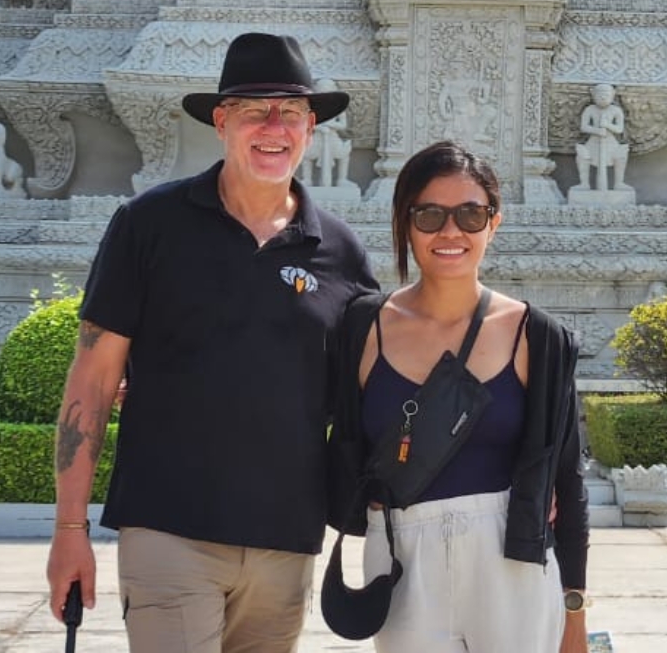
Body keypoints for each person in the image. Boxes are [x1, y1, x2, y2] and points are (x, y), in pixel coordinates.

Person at [45, 32, 379, 651]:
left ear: (311, 128)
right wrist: (70, 529)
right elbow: (92, 380)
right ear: (222, 121)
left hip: (285, 539)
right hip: (170, 528)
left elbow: (375, 388)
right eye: (255, 110)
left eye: (292, 112)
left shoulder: (340, 251)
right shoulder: (148, 225)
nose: (274, 126)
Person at [327, 140, 589, 653]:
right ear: (405, 222)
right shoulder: (362, 327)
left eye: (470, 214)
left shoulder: (537, 336)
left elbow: (568, 480)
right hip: (401, 553)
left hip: (510, 557)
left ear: (495, 222)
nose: (450, 232)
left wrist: (574, 607)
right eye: (429, 214)